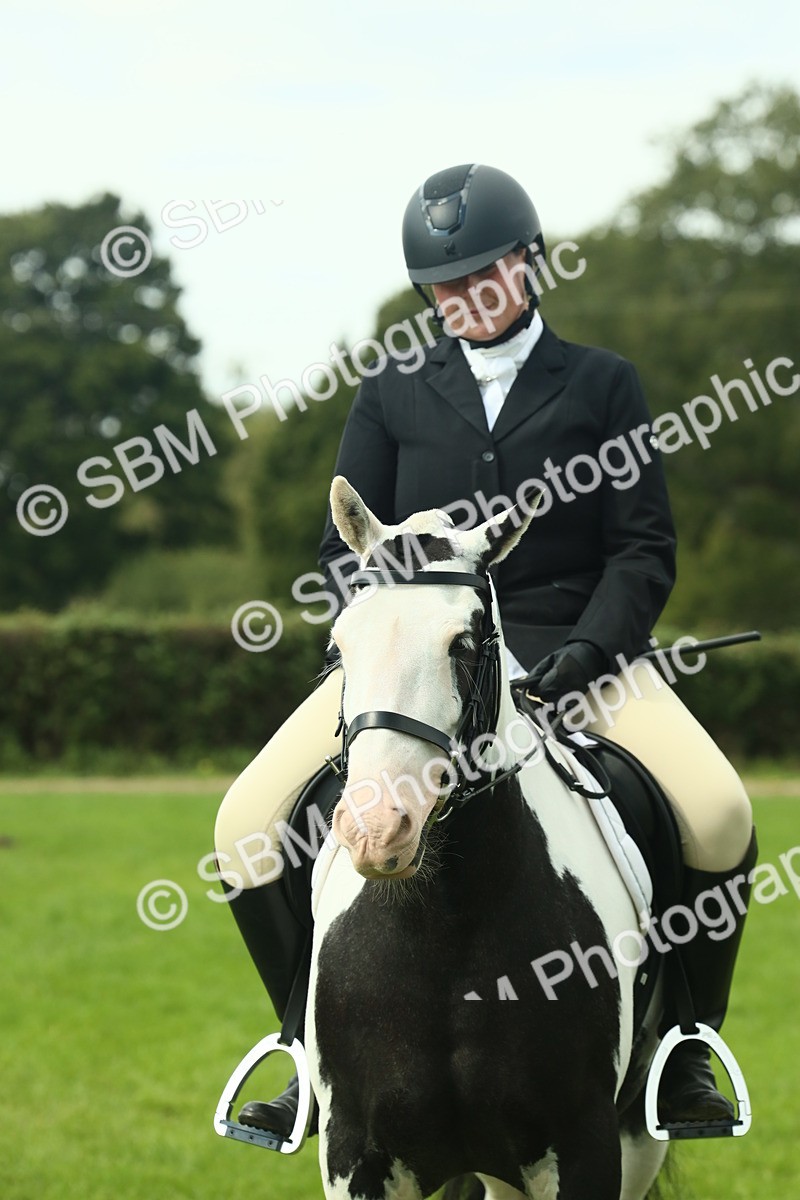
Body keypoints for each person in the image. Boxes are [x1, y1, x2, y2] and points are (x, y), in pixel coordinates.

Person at [214, 163, 756, 1139]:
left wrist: (590, 651)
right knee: (241, 823)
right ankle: (303, 1048)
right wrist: (384, 641)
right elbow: (344, 549)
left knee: (716, 812)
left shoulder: (600, 383)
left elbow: (639, 548)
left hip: (575, 653)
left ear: (528, 265)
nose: (462, 299)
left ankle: (680, 1052)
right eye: (443, 285)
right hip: (416, 668)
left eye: (482, 276)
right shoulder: (389, 393)